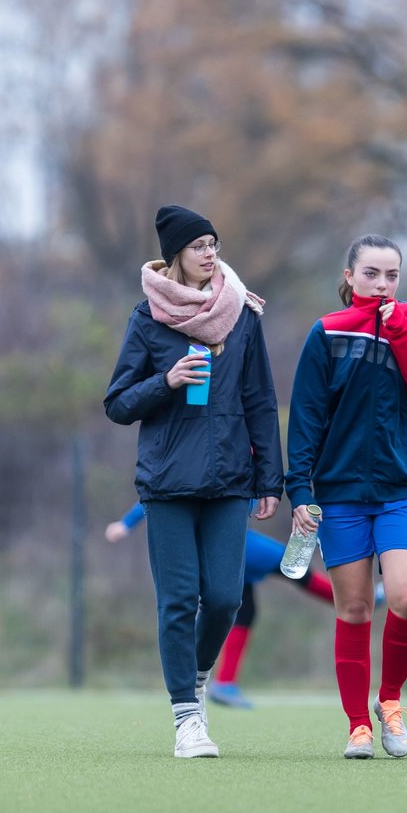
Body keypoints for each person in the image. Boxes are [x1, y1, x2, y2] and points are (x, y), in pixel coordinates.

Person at [104, 204, 283, 758]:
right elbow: (117, 403)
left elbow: (260, 400)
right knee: (179, 601)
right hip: (167, 485)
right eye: (201, 246)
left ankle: (198, 675)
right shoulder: (147, 319)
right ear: (176, 254)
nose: (211, 254)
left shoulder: (242, 314)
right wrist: (167, 380)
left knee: (226, 599)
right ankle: (187, 717)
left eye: (215, 244)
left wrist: (268, 482)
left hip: (231, 480)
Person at [285, 234, 407, 759]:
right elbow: (307, 417)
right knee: (354, 609)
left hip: (403, 489)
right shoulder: (326, 333)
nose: (383, 284)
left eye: (392, 275)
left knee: (405, 598)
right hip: (340, 494)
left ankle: (390, 701)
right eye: (373, 274)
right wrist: (299, 490)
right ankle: (358, 725)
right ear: (350, 276)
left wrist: (399, 331)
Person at [105, 501, 378, 709]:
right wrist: (125, 524)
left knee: (244, 611)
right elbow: (156, 495)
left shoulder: (246, 444)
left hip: (233, 539)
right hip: (228, 545)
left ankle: (224, 683)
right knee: (294, 566)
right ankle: (361, 600)